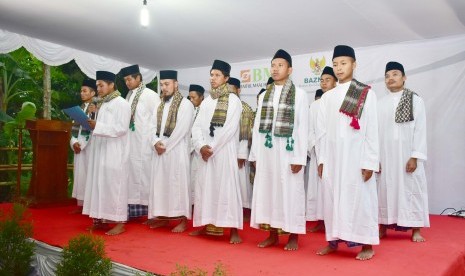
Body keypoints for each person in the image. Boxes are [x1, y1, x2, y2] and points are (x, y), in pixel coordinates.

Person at [315, 45, 379, 260]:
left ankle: (367, 245)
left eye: (343, 63)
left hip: (356, 157)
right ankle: (333, 243)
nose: (339, 68)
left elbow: (372, 129)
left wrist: (370, 161)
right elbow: (321, 132)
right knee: (332, 199)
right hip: (332, 158)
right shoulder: (327, 97)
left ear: (354, 64)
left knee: (361, 200)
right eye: (335, 64)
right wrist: (322, 159)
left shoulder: (366, 93)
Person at [249, 49, 309, 251]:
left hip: (289, 153)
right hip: (267, 152)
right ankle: (272, 234)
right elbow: (257, 127)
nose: (275, 69)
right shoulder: (265, 95)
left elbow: (303, 127)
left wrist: (299, 157)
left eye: (280, 65)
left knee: (290, 192)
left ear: (290, 69)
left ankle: (293, 235)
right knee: (269, 191)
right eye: (273, 65)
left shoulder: (299, 95)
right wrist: (255, 154)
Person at [190, 59, 243, 244]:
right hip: (206, 153)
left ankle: (234, 230)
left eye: (217, 75)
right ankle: (205, 223)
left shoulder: (234, 100)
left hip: (223, 152)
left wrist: (211, 148)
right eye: (211, 75)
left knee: (227, 189)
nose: (213, 78)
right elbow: (195, 126)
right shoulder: (206, 102)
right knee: (206, 189)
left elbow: (229, 128)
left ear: (226, 78)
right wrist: (200, 146)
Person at [377, 61, 429, 242]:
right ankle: (383, 226)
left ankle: (416, 229)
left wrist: (415, 156)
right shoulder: (379, 103)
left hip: (408, 155)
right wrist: (376, 158)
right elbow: (375, 133)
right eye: (387, 76)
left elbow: (420, 130)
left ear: (404, 77)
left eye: (395, 74)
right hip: (386, 156)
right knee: (385, 190)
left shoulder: (416, 100)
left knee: (412, 189)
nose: (391, 78)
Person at [83, 70, 131, 235]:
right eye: (97, 86)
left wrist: (98, 126)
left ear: (111, 85)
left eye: (101, 85)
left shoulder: (122, 103)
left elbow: (121, 128)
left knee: (114, 187)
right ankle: (100, 220)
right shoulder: (101, 103)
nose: (99, 89)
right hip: (100, 150)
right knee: (99, 186)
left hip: (115, 152)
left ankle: (119, 222)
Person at [147, 70, 194, 232]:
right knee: (161, 186)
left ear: (175, 84)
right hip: (159, 151)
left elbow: (182, 129)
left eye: (167, 84)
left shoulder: (186, 104)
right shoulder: (159, 105)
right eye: (161, 85)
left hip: (176, 151)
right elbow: (151, 126)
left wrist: (164, 145)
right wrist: (155, 142)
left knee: (177, 185)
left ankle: (182, 220)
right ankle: (163, 217)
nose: (163, 88)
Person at [120, 64, 160, 221]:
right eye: (125, 80)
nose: (127, 83)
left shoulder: (150, 95)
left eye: (130, 79)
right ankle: (135, 211)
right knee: (132, 176)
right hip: (131, 142)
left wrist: (153, 140)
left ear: (139, 78)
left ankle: (152, 213)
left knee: (145, 177)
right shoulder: (128, 96)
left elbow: (157, 119)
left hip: (145, 144)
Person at [306, 67, 337, 233]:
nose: (324, 83)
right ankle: (321, 220)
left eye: (328, 79)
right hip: (318, 153)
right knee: (318, 189)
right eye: (322, 80)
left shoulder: (339, 101)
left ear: (335, 81)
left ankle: (334, 222)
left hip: (335, 154)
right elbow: (310, 130)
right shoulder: (315, 105)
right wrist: (316, 150)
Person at [228, 77, 254, 220]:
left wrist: (242, 153)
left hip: (239, 150)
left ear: (238, 90)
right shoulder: (224, 105)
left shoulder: (244, 108)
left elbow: (245, 133)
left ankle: (243, 210)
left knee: (240, 181)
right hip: (225, 150)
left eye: (232, 90)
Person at [70, 78, 96, 214]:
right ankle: (81, 205)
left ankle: (89, 206)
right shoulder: (79, 109)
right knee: (79, 174)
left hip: (89, 147)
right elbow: (73, 129)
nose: (82, 93)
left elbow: (94, 129)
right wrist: (74, 142)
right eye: (81, 91)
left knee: (88, 174)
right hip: (78, 146)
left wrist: (82, 144)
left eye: (85, 91)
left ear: (93, 93)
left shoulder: (95, 108)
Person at [188, 84, 205, 204]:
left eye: (194, 97)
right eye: (190, 98)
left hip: (200, 150)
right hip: (190, 149)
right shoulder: (189, 110)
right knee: (191, 178)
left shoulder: (206, 110)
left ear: (202, 97)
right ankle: (193, 203)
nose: (191, 100)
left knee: (200, 178)